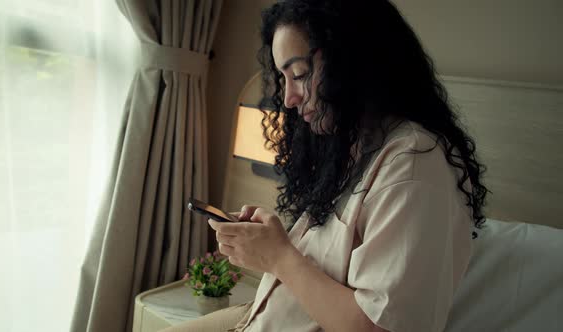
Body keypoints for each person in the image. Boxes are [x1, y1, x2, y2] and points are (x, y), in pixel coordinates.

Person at [161, 0, 488, 331]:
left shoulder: (414, 169)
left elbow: (378, 327)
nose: (288, 98)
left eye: (300, 74)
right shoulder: (355, 148)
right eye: (283, 78)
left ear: (354, 60)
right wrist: (269, 244)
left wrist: (279, 257)